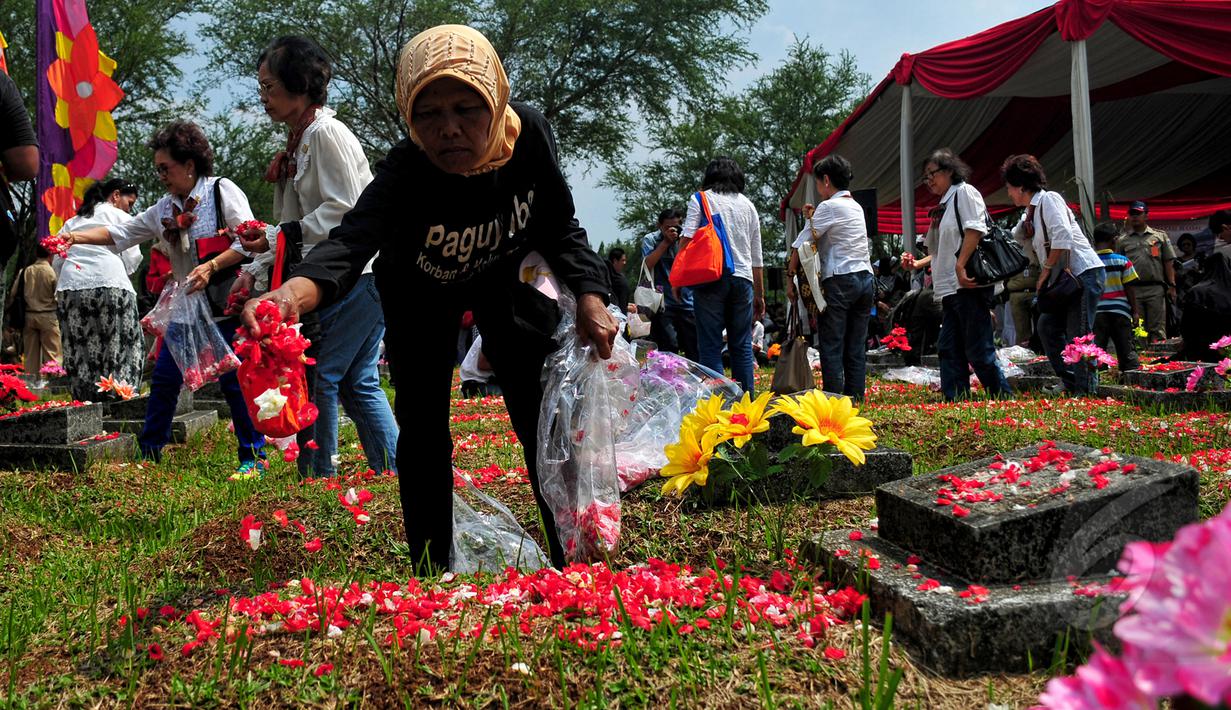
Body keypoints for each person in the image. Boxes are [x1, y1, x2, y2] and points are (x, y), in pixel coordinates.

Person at [243, 25, 617, 573]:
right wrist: (296, 291)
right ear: (409, 119)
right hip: (420, 285)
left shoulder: (528, 137)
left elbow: (561, 225)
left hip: (506, 277)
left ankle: (573, 554)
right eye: (428, 115)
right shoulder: (405, 172)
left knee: (536, 413)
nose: (449, 130)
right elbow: (351, 240)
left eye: (468, 109)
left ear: (496, 100)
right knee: (420, 423)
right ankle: (430, 562)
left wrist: (589, 295)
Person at [234, 35, 399, 478]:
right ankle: (394, 470)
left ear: (299, 84)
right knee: (355, 379)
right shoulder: (301, 140)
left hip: (356, 273)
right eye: (262, 87)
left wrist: (279, 234)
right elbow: (294, 220)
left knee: (323, 374)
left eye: (270, 86)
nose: (264, 97)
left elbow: (348, 209)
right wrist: (258, 261)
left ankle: (318, 474)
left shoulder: (328, 133)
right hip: (340, 275)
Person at [66, 121, 267, 477]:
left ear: (189, 165)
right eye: (157, 168)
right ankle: (150, 451)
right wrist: (75, 238)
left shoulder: (222, 192)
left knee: (234, 381)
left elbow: (249, 239)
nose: (160, 175)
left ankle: (253, 456)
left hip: (224, 301)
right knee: (164, 379)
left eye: (165, 168)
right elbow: (121, 232)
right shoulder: (162, 209)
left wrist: (212, 265)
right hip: (187, 305)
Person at [1003, 154, 1105, 395]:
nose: (1008, 193)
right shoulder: (1030, 214)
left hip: (1082, 274)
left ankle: (1086, 389)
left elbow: (1063, 237)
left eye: (1009, 188)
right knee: (1047, 326)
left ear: (1020, 186)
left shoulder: (1050, 200)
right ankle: (1070, 381)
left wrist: (1045, 271)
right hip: (1065, 281)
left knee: (1078, 334)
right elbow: (1015, 239)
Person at [920, 148, 1011, 401]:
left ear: (949, 170)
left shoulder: (965, 193)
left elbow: (975, 229)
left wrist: (960, 265)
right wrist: (916, 264)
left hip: (968, 284)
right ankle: (955, 398)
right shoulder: (943, 205)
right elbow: (939, 250)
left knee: (978, 349)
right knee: (949, 347)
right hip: (950, 288)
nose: (929, 181)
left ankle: (1001, 395)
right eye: (926, 177)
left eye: (932, 174)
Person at [789, 155, 873, 399]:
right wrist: (812, 217)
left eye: (817, 183)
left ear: (826, 180)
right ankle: (855, 397)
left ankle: (834, 398)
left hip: (840, 280)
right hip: (865, 279)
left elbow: (802, 241)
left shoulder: (828, 207)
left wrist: (790, 276)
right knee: (856, 345)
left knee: (832, 343)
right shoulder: (855, 206)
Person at [54, 178, 144, 400]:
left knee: (80, 345)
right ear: (115, 195)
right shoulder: (119, 216)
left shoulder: (72, 222)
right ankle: (119, 397)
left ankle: (85, 401)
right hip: (111, 282)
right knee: (119, 342)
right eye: (129, 202)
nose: (129, 208)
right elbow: (132, 256)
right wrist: (124, 272)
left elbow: (58, 258)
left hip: (71, 285)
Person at [682, 156, 763, 393]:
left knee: (710, 345)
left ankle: (718, 406)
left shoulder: (701, 199)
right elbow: (756, 256)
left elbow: (686, 239)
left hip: (710, 278)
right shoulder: (748, 205)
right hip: (743, 281)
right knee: (742, 346)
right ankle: (746, 404)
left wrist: (679, 278)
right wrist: (760, 294)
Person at [640, 208, 697, 360]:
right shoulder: (651, 239)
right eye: (667, 227)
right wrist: (665, 242)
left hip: (687, 302)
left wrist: (682, 243)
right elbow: (647, 265)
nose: (672, 230)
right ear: (659, 225)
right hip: (663, 303)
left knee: (693, 347)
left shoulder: (687, 239)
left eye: (676, 227)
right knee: (669, 345)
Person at [1115, 201, 1175, 343]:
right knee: (1138, 329)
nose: (1135, 217)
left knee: (1157, 329)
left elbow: (1168, 261)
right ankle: (1141, 363)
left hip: (1156, 287)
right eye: (1132, 214)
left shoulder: (1159, 236)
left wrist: (1172, 286)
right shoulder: (1122, 241)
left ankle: (1161, 362)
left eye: (1138, 213)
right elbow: (1119, 266)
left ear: (1146, 215)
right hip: (1133, 289)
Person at [1091, 222, 1140, 372]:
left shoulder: (1089, 262)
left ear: (1094, 242)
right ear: (1114, 240)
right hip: (1120, 311)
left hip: (1097, 312)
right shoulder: (1123, 261)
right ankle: (1130, 374)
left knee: (1098, 348)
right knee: (1125, 346)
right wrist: (1135, 311)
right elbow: (1129, 289)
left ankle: (1099, 376)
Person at [8, 242, 61, 370]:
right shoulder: (52, 272)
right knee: (52, 354)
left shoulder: (25, 271)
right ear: (51, 254)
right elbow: (59, 297)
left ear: (36, 254)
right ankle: (53, 381)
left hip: (28, 316)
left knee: (30, 355)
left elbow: (13, 294)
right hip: (48, 316)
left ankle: (31, 384)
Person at [605, 247, 629, 314]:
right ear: (615, 261)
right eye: (622, 260)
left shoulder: (603, 276)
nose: (625, 263)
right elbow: (622, 306)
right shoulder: (621, 282)